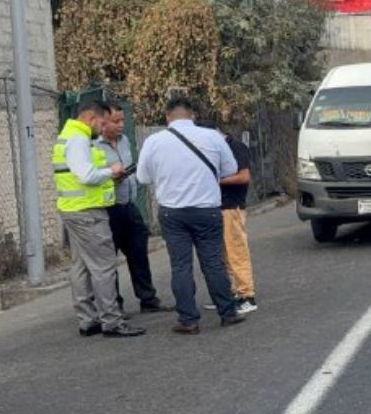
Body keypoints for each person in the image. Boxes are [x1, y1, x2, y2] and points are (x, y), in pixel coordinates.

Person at [136, 98, 245, 334]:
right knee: (213, 262)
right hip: (207, 210)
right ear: (192, 115)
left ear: (167, 116)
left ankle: (188, 320)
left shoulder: (153, 141)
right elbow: (229, 170)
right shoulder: (212, 137)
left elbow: (143, 178)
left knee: (181, 266)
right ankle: (227, 313)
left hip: (172, 213)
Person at [53, 101, 145, 338]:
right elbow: (86, 175)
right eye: (102, 123)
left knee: (81, 265)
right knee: (104, 266)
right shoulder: (78, 140)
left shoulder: (69, 135)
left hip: (74, 209)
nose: (103, 128)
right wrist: (111, 172)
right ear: (90, 118)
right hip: (88, 212)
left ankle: (88, 320)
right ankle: (112, 321)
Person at [94, 106, 171, 315]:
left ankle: (148, 299)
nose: (120, 125)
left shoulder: (125, 141)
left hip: (129, 206)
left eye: (122, 121)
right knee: (109, 260)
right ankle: (114, 306)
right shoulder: (93, 146)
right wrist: (110, 176)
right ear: (103, 122)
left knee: (139, 253)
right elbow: (89, 176)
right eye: (115, 121)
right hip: (107, 210)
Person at [197, 120, 257, 315]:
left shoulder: (236, 147)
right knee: (222, 255)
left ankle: (247, 295)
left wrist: (216, 181)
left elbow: (244, 176)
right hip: (214, 207)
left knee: (236, 252)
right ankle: (228, 293)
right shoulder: (212, 150)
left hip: (232, 207)